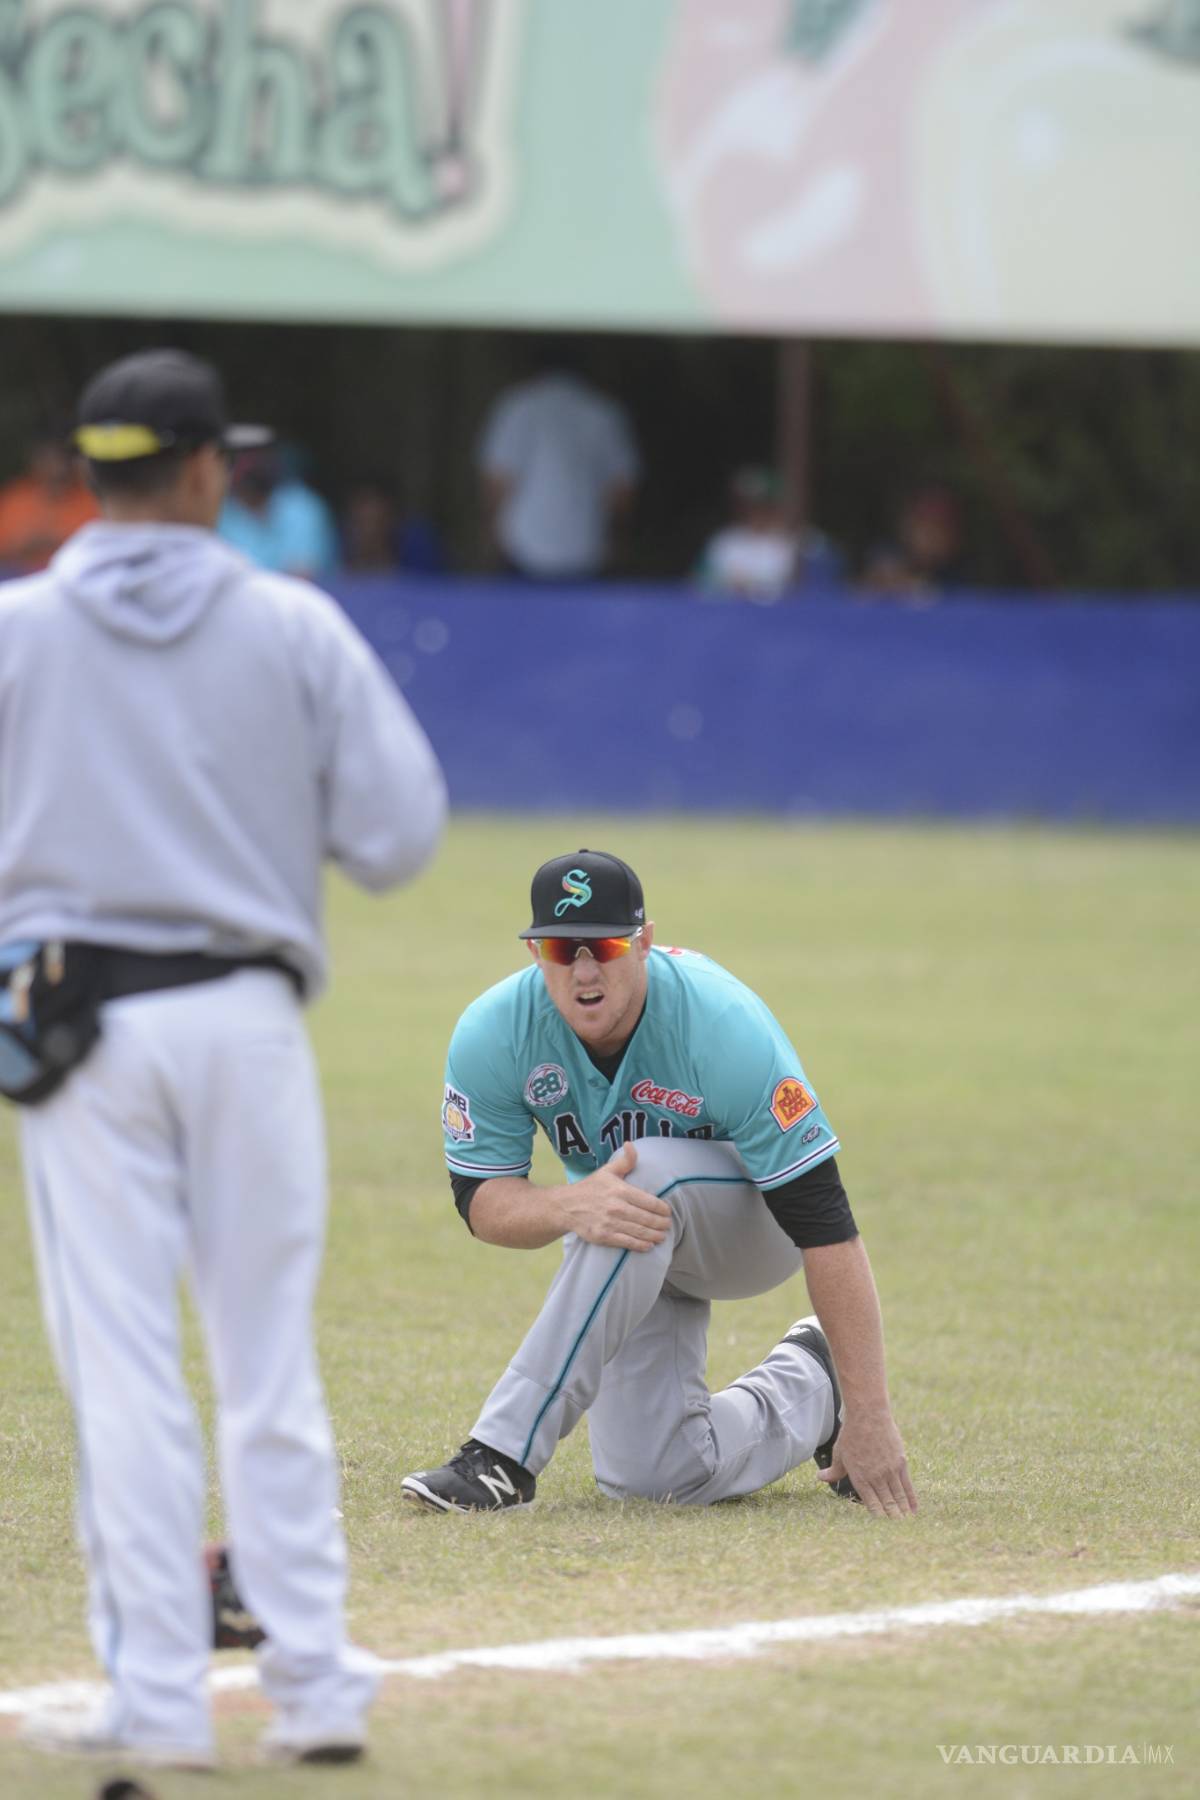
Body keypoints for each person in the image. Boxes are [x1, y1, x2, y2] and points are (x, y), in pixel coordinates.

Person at [1, 348, 447, 1770]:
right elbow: (398, 836)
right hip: (247, 1023)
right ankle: (313, 1692)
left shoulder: (16, 632)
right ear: (204, 472)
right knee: (268, 1365)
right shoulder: (293, 627)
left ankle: (154, 1707)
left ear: (89, 473)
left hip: (76, 1027)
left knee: (123, 1373)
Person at [402, 849, 916, 1520]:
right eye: (562, 948)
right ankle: (812, 1386)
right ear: (535, 953)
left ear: (643, 941)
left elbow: (823, 1219)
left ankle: (501, 1456)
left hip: (760, 1226)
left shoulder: (721, 1022)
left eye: (606, 944)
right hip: (632, 1242)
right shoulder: (495, 1031)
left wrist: (874, 1413)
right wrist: (566, 1205)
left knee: (635, 1176)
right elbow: (481, 1202)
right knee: (655, 1475)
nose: (584, 970)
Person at [477, 341, 640, 581]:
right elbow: (622, 492)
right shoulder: (603, 412)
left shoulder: (517, 407)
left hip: (522, 550)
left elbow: (497, 482)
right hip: (586, 551)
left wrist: (491, 535)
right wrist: (611, 537)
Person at [696, 466, 842, 599]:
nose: (754, 512)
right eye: (747, 505)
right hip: (731, 620)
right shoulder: (724, 542)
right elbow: (699, 586)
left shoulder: (803, 541)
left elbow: (824, 586)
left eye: (762, 505)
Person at [218, 443, 339, 579]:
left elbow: (304, 575)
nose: (256, 463)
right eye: (247, 457)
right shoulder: (218, 513)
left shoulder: (303, 506)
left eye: (262, 454)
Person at [0, 433, 99, 573]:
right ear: (34, 461)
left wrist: (58, 540)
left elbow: (99, 546)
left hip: (74, 574)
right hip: (21, 577)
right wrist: (26, 544)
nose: (55, 466)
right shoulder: (15, 497)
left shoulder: (90, 498)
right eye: (46, 458)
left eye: (59, 458)